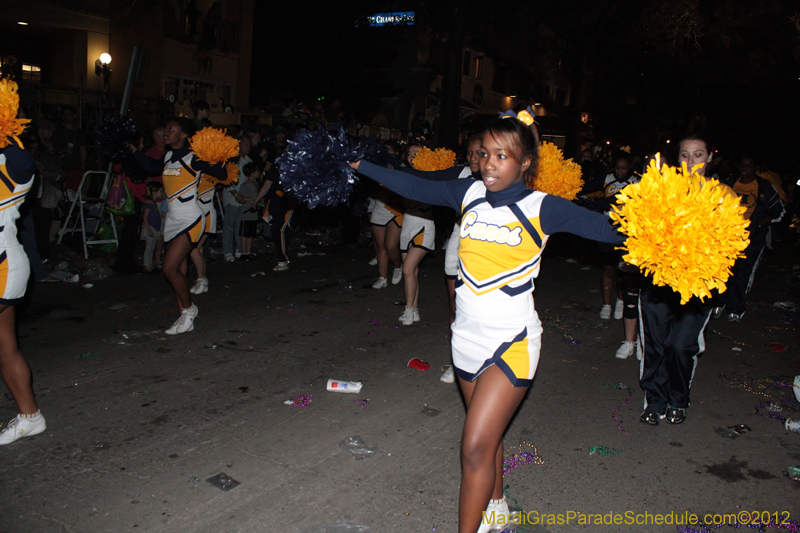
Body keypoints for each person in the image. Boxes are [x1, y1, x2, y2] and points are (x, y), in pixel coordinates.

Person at [352, 116, 624, 533]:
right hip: (464, 340)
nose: (490, 164)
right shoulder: (469, 191)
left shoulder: (543, 207)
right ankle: (496, 504)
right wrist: (361, 165)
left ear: (525, 162)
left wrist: (664, 224)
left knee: (475, 446)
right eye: (485, 154)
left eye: (502, 156)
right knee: (489, 434)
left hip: (512, 341)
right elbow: (414, 185)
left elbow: (608, 229)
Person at [638, 136, 735, 426]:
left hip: (698, 288)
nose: (691, 161)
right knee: (655, 345)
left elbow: (733, 246)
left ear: (710, 158)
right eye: (684, 155)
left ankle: (677, 398)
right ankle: (654, 401)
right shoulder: (661, 191)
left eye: (698, 154)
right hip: (659, 286)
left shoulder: (723, 195)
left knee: (680, 346)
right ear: (677, 159)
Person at [131, 117, 226, 335]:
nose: (166, 132)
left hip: (191, 219)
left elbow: (220, 173)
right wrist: (135, 151)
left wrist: (215, 153)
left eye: (170, 129)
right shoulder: (167, 156)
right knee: (179, 270)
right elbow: (149, 166)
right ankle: (183, 316)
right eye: (165, 128)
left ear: (183, 135)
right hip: (172, 220)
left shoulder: (193, 158)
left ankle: (190, 309)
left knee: (168, 268)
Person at [0, 124, 47, 445]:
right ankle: (30, 417)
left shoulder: (16, 163)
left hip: (4, 264)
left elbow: (27, 162)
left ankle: (31, 416)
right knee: (5, 347)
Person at [715, 156, 785, 321]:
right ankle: (719, 302)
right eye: (742, 166)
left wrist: (758, 224)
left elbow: (778, 212)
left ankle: (735, 308)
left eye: (749, 166)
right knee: (722, 270)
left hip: (752, 239)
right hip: (728, 236)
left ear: (755, 168)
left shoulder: (764, 187)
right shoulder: (730, 183)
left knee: (742, 273)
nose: (745, 169)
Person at [397, 142, 434, 326]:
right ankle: (415, 309)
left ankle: (409, 309)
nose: (412, 156)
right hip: (407, 226)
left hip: (424, 226)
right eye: (410, 153)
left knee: (407, 270)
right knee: (412, 272)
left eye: (417, 153)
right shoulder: (403, 174)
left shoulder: (433, 175)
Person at [237, 162, 260, 259]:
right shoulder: (245, 185)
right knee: (245, 234)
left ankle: (248, 251)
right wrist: (248, 199)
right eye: (257, 171)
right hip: (246, 213)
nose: (259, 173)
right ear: (252, 172)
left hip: (253, 213)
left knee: (250, 234)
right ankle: (244, 253)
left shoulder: (255, 184)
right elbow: (239, 197)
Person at [141, 182, 165, 272]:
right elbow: (145, 217)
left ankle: (149, 263)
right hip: (150, 228)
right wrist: (149, 229)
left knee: (152, 247)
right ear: (154, 192)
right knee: (149, 248)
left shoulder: (153, 203)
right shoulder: (148, 204)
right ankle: (146, 264)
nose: (162, 193)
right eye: (160, 191)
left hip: (154, 228)